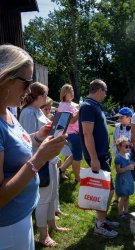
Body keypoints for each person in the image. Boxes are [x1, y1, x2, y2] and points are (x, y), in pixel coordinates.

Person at [0, 44, 67, 249]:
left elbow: (14, 146)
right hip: (7, 228)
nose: (30, 89)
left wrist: (38, 137)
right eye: (27, 82)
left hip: (20, 217)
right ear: (5, 78)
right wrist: (39, 158)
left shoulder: (8, 111)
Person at [19, 82, 69, 247]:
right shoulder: (27, 113)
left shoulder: (37, 111)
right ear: (40, 97)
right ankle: (43, 235)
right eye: (45, 96)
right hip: (40, 162)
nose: (47, 99)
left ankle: (52, 225)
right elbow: (27, 142)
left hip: (50, 160)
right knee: (43, 200)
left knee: (52, 195)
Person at [79, 79, 119, 238]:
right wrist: (94, 158)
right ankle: (99, 225)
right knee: (106, 192)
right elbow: (87, 134)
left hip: (103, 155)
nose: (106, 95)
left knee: (108, 190)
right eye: (105, 91)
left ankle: (102, 219)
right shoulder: (88, 107)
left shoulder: (94, 106)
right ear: (99, 90)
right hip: (98, 157)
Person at [58, 84, 82, 182]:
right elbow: (71, 121)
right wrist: (80, 111)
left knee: (74, 154)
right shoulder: (64, 105)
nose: (72, 93)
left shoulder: (69, 104)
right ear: (64, 93)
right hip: (71, 133)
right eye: (69, 92)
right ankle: (77, 179)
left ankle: (61, 170)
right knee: (77, 157)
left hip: (74, 133)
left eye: (72, 91)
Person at [111, 107, 133, 207]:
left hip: (128, 158)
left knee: (127, 177)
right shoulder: (117, 127)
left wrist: (129, 155)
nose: (120, 119)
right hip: (119, 157)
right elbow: (114, 142)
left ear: (129, 117)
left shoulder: (134, 128)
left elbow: (134, 143)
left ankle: (126, 196)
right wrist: (117, 154)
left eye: (122, 117)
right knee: (119, 177)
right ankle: (116, 198)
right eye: (119, 117)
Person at [114, 136, 135, 217]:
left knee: (127, 196)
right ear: (119, 147)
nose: (128, 148)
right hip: (122, 180)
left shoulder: (128, 155)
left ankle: (126, 211)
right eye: (126, 146)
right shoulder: (118, 158)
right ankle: (120, 213)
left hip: (128, 178)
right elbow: (118, 170)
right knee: (123, 197)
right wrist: (128, 168)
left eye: (129, 146)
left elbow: (131, 163)